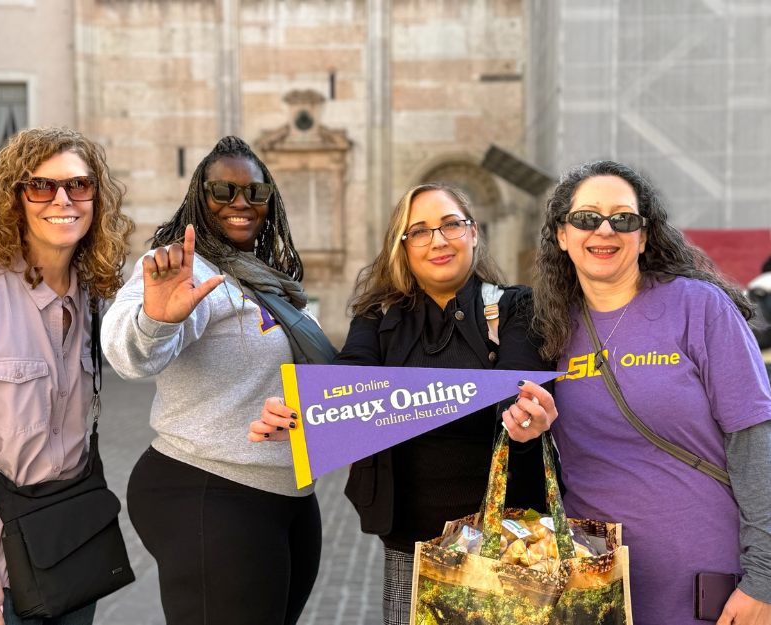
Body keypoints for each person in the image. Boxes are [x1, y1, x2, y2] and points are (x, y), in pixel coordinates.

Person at [252, 183, 559, 625]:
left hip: (509, 542)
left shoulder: (517, 306)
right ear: (403, 247)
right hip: (409, 546)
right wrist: (304, 412)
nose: (438, 240)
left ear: (473, 233)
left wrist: (525, 416)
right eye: (419, 231)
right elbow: (350, 378)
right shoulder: (377, 315)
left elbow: (518, 385)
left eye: (451, 225)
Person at [533, 161, 771, 624]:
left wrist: (764, 578)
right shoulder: (547, 328)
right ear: (562, 234)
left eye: (623, 218)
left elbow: (755, 445)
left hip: (705, 582)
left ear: (643, 236)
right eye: (586, 217)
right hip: (593, 588)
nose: (605, 229)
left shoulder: (698, 307)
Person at [101, 136, 322, 625]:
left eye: (255, 192)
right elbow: (127, 354)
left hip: (287, 495)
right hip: (210, 490)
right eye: (223, 191)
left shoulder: (263, 280)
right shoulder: (187, 269)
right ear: (199, 199)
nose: (241, 203)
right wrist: (156, 319)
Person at [0, 127, 134, 625]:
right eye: (41, 186)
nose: (63, 200)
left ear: (96, 198)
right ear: (15, 198)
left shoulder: (93, 294)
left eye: (78, 185)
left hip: (73, 556)